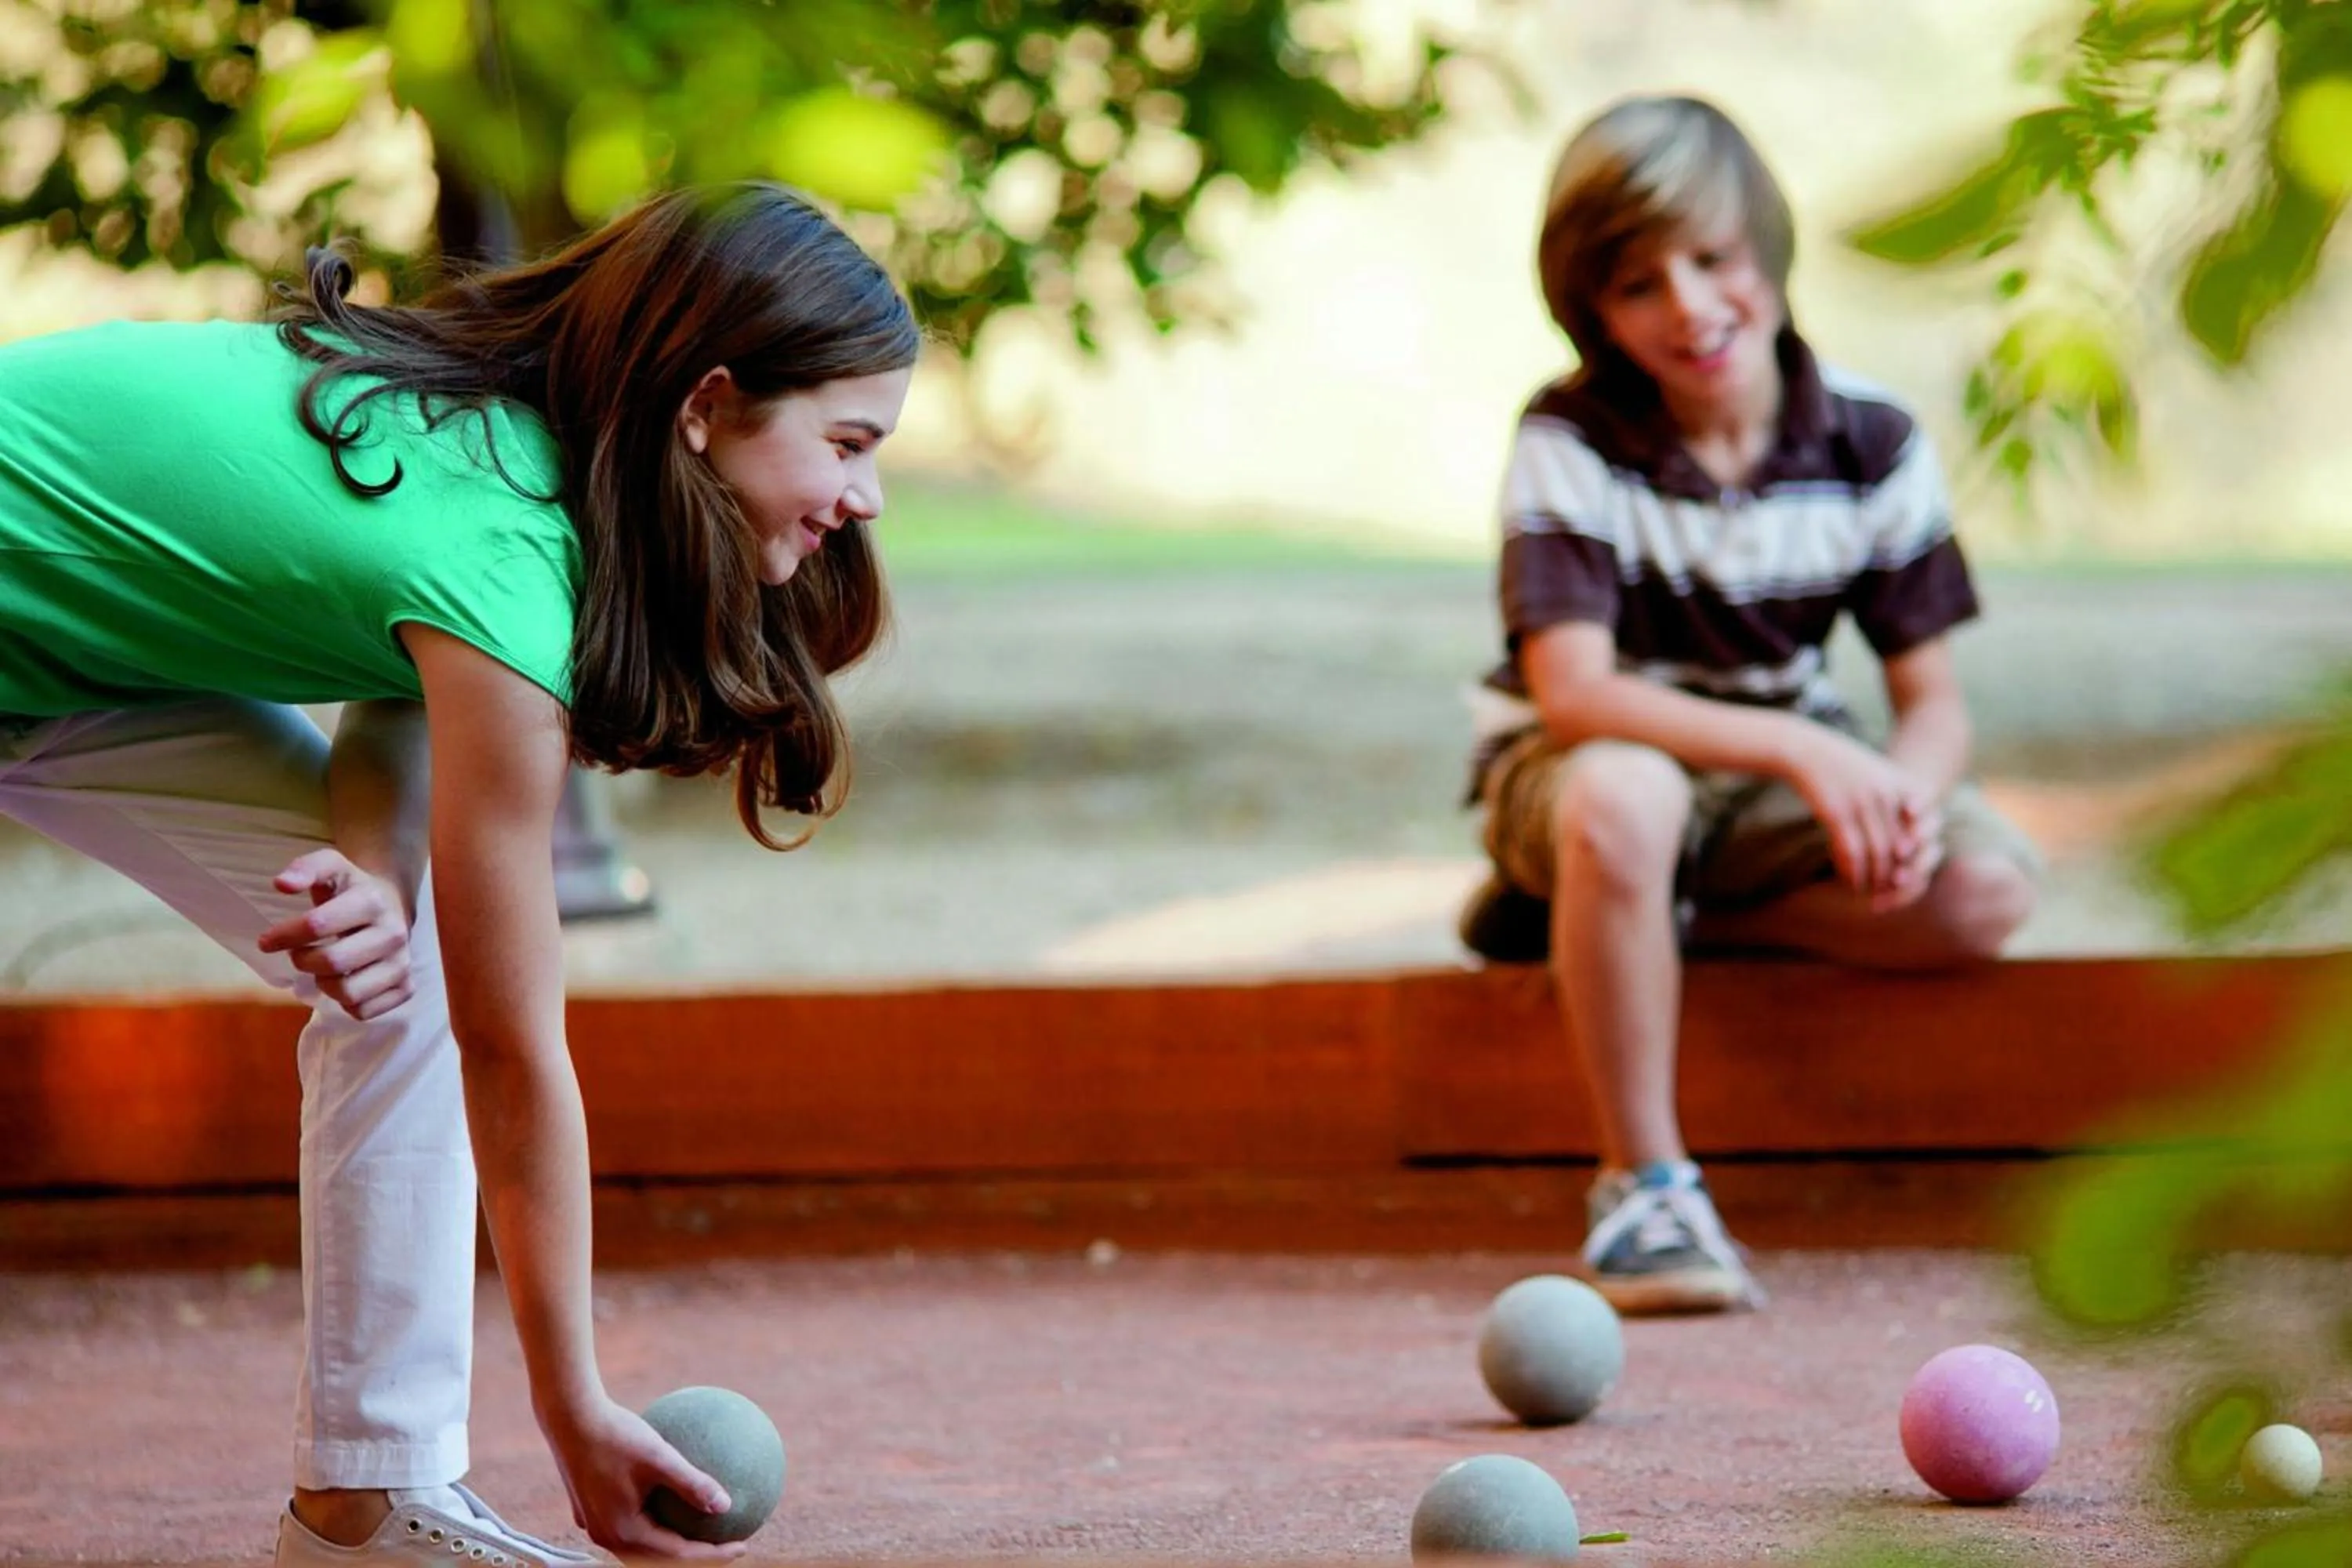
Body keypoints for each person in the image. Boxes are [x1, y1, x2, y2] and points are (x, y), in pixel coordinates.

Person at [0, 182, 918, 1562]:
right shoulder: (506, 562)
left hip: (61, 668)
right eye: (846, 442)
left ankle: (368, 1505)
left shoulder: (520, 469)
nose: (867, 495)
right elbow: (512, 1044)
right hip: (43, 634)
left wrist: (372, 868)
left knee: (399, 957)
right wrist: (573, 1403)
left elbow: (391, 684)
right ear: (708, 405)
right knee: (447, 986)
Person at [1457, 97, 2042, 1315]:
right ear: (1592, 308)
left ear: (1767, 247)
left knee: (1984, 891)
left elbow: (1933, 703)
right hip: (1585, 766)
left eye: (1712, 258)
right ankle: (1647, 1188)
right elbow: (1575, 691)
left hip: (1762, 786)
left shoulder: (1873, 442)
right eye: (1638, 284)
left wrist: (1900, 797)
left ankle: (1629, 927)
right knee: (1630, 798)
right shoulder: (1571, 437)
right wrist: (1805, 751)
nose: (1688, 306)